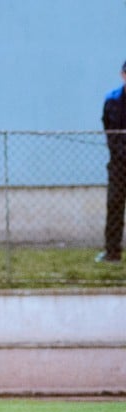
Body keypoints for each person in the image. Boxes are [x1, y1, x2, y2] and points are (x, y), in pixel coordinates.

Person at [99, 60, 126, 264]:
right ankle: (112, 252)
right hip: (118, 164)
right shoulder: (113, 100)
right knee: (115, 206)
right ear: (122, 75)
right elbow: (109, 129)